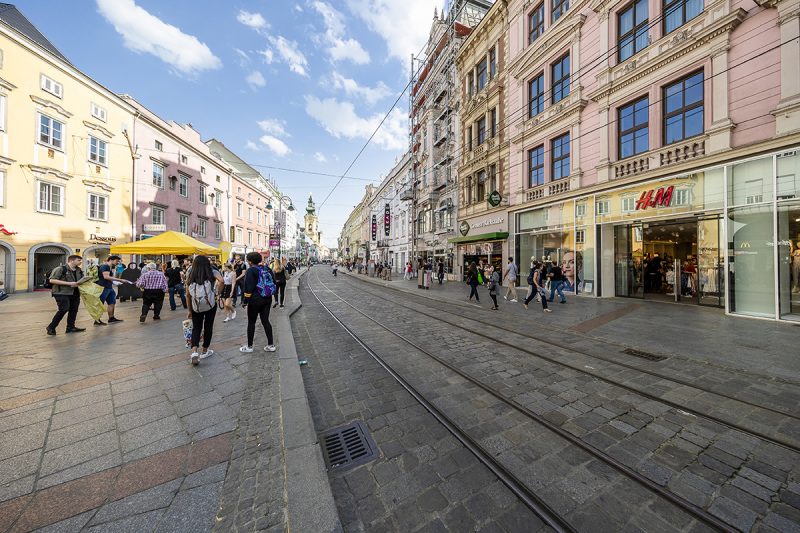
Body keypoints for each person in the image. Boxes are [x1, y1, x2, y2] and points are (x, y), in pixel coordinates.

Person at [186, 255, 223, 365]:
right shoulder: (211, 271)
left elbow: (188, 294)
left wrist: (189, 310)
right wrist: (217, 293)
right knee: (208, 326)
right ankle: (205, 350)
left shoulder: (190, 273)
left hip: (195, 305)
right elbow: (222, 281)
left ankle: (194, 351)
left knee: (196, 328)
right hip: (210, 304)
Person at [240, 252, 277, 353]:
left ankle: (249, 346)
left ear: (250, 261)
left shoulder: (251, 270)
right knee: (265, 321)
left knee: (251, 322)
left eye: (248, 260)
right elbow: (273, 282)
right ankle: (271, 345)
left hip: (255, 299)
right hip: (267, 298)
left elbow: (249, 287)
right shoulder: (267, 268)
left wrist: (245, 301)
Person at [46, 255, 87, 335]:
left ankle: (70, 327)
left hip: (75, 292)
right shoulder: (60, 269)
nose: (80, 262)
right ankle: (51, 327)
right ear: (71, 261)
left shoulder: (79, 270)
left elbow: (80, 280)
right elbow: (52, 280)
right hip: (61, 293)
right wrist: (69, 283)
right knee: (63, 309)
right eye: (78, 260)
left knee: (74, 310)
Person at [95, 255, 127, 325]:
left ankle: (111, 318)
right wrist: (120, 279)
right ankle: (97, 320)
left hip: (109, 287)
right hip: (103, 288)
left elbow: (109, 278)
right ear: (111, 260)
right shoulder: (105, 266)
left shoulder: (109, 267)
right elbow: (106, 277)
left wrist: (116, 282)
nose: (118, 263)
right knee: (101, 304)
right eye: (117, 261)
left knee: (112, 303)